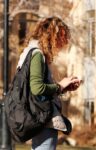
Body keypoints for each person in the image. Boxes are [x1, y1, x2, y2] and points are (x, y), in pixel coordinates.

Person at [17, 17, 81, 150]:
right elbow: (37, 88)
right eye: (61, 37)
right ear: (51, 36)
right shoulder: (37, 55)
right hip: (44, 119)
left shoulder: (31, 53)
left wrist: (63, 88)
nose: (64, 42)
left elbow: (36, 88)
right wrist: (60, 85)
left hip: (39, 116)